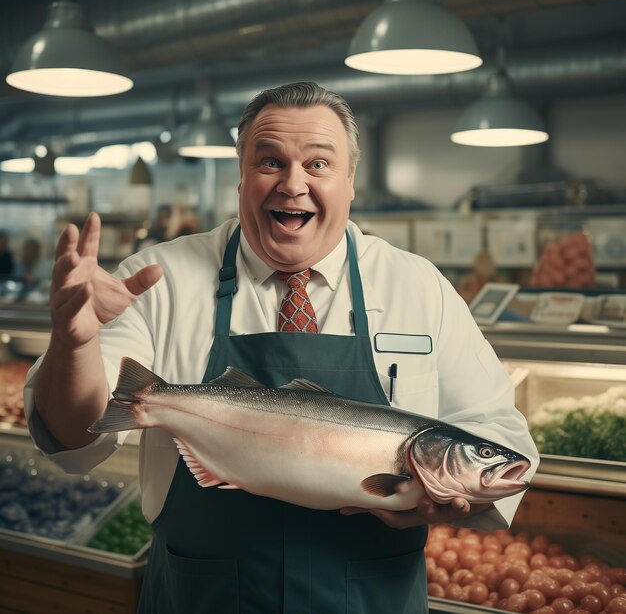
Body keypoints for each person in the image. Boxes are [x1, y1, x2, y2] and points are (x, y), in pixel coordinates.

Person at [24, 82, 539, 614]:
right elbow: (74, 437)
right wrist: (74, 342)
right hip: (203, 599)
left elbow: (500, 437)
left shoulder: (418, 287)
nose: (293, 185)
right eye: (270, 162)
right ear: (241, 178)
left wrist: (441, 506)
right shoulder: (159, 279)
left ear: (350, 182)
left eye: (318, 164)